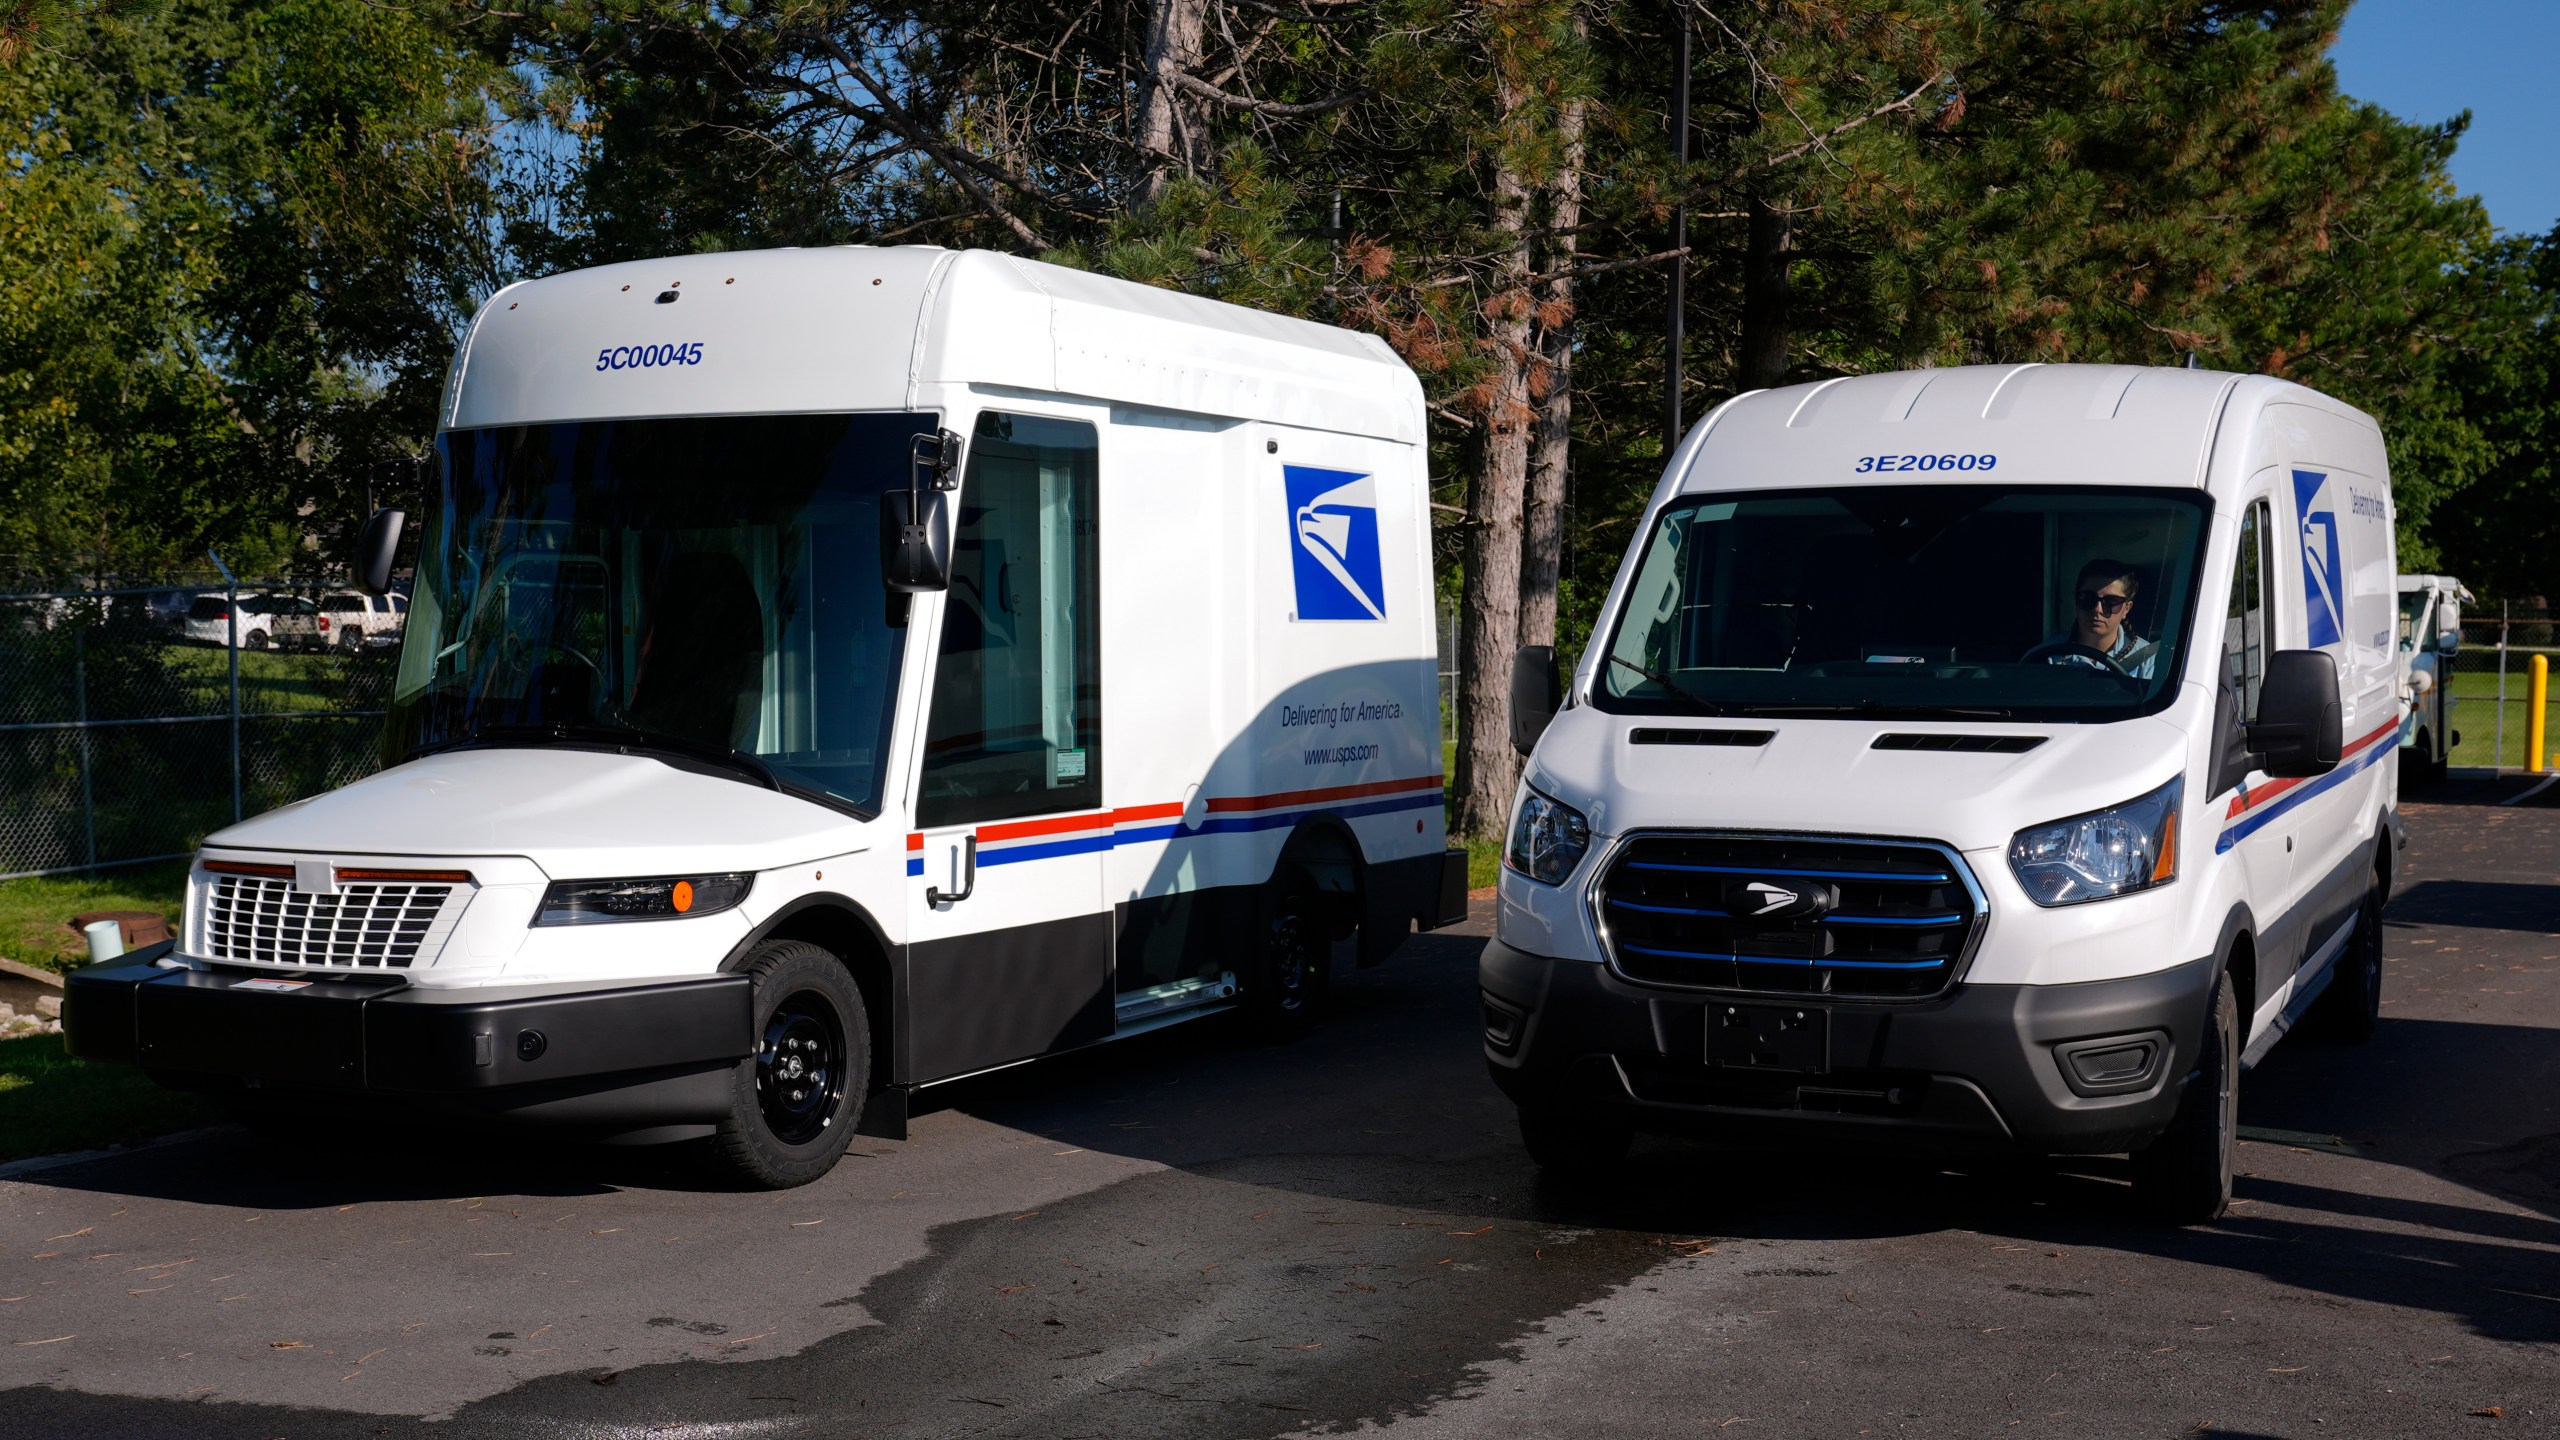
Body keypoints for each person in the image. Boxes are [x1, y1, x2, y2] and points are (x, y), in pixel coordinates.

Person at [2026, 558, 2159, 679]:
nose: (2097, 609)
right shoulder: (2044, 657)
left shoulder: (2147, 660)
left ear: (2127, 608)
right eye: (2088, 598)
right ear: (2076, 602)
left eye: (2111, 601)